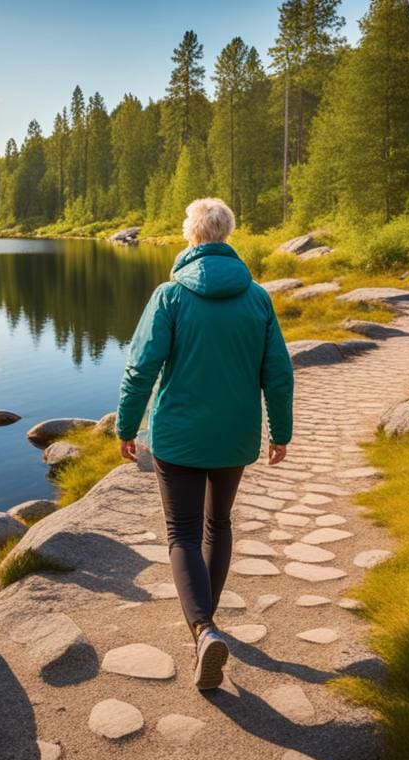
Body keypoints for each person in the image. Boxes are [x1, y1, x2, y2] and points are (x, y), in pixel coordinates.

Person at [116, 198, 294, 690]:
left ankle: (203, 630)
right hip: (234, 435)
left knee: (183, 533)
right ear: (228, 235)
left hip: (178, 436)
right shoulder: (257, 297)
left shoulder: (170, 296)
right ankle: (207, 629)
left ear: (190, 236)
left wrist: (126, 425)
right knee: (218, 523)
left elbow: (140, 369)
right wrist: (281, 431)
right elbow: (277, 374)